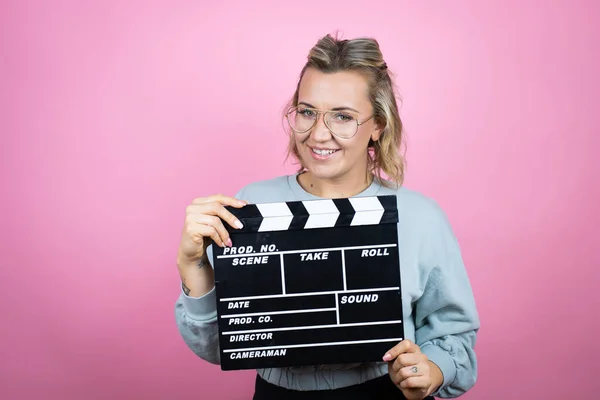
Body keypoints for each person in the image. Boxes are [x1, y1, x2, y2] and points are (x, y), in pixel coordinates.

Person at [174, 33, 480, 399]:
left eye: (343, 116)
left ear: (378, 125)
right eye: (307, 112)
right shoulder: (251, 205)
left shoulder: (420, 217)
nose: (319, 134)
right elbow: (219, 346)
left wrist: (431, 369)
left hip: (381, 391)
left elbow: (454, 337)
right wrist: (193, 267)